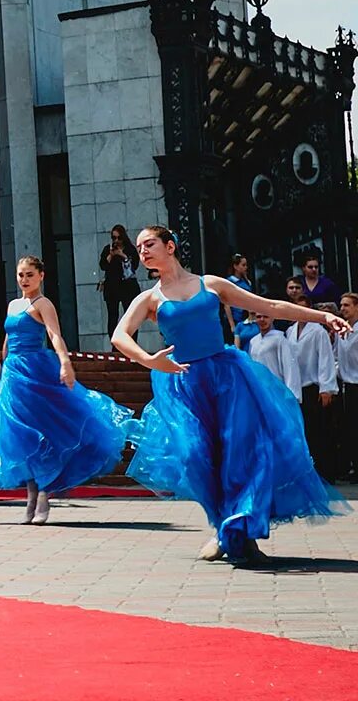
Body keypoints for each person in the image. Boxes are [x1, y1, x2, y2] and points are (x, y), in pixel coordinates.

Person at [115, 224, 349, 564]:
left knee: (241, 453)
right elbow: (120, 335)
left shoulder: (210, 284)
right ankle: (223, 526)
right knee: (197, 456)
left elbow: (270, 306)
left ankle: (241, 534)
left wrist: (323, 316)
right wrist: (148, 359)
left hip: (228, 378)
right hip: (183, 383)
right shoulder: (150, 298)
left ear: (170, 246)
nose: (143, 252)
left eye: (149, 244)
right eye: (139, 248)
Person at [0, 256, 136, 524]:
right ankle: (31, 495)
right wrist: (2, 366)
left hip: (36, 370)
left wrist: (65, 363)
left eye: (29, 274)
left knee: (43, 430)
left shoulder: (43, 304)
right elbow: (8, 337)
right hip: (13, 374)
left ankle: (44, 493)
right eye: (21, 274)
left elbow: (55, 334)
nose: (24, 279)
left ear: (41, 276)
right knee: (19, 434)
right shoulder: (13, 304)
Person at [283, 275, 340, 477]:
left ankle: (328, 470)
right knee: (305, 430)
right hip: (298, 387)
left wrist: (327, 388)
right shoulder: (289, 332)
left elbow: (325, 360)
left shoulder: (318, 331)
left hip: (315, 386)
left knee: (321, 430)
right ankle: (311, 470)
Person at [99, 225, 142, 335]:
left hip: (127, 288)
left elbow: (134, 266)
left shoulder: (130, 249)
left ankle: (131, 341)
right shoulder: (107, 249)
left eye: (119, 238)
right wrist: (111, 255)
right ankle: (114, 345)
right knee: (113, 316)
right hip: (112, 288)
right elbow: (103, 265)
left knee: (130, 316)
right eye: (114, 238)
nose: (116, 241)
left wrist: (122, 255)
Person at [248, 313, 302, 399]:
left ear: (272, 319)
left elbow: (289, 366)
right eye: (259, 317)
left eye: (265, 316)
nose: (262, 319)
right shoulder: (253, 341)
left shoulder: (280, 339)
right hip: (260, 390)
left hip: (277, 390)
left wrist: (292, 394)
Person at [337, 292, 358, 484]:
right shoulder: (340, 330)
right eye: (341, 305)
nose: (342, 309)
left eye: (347, 305)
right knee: (350, 428)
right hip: (347, 384)